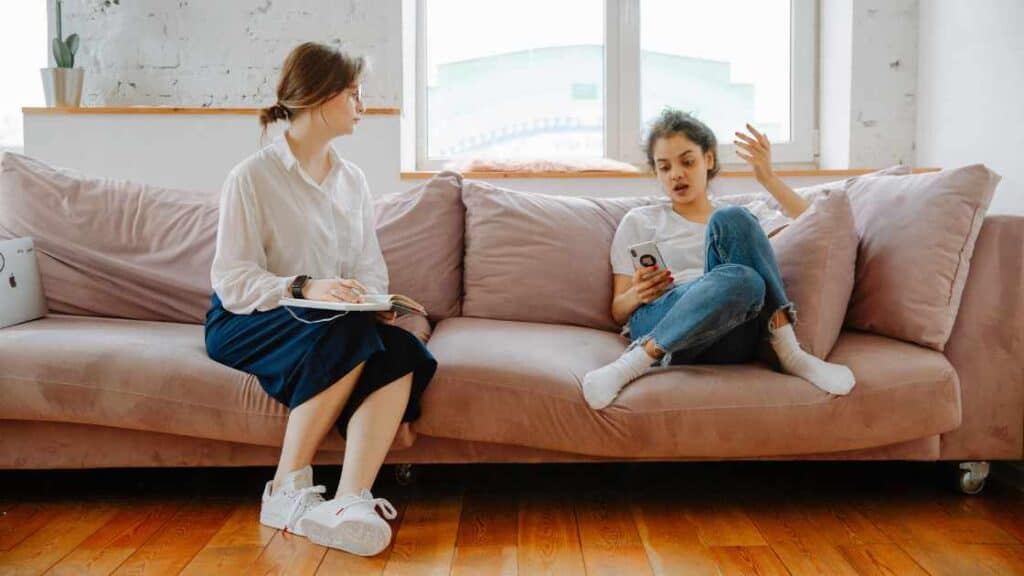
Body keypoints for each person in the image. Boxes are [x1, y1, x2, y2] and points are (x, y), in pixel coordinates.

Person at [204, 42, 436, 556]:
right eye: (355, 94)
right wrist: (305, 287)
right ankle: (286, 489)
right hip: (250, 318)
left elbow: (367, 266)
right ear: (320, 96)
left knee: (402, 352)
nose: (363, 106)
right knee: (348, 333)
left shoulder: (351, 181)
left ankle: (350, 500)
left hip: (330, 319)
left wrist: (373, 297)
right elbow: (233, 278)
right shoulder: (252, 177)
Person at [581, 109, 855, 410]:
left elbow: (818, 225)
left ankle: (790, 353)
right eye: (664, 167)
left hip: (730, 329)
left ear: (708, 160)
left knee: (744, 268)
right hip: (665, 316)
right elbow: (618, 310)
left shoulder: (741, 217)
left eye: (687, 161)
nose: (676, 174)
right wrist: (638, 293)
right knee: (743, 275)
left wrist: (768, 178)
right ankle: (633, 362)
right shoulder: (640, 221)